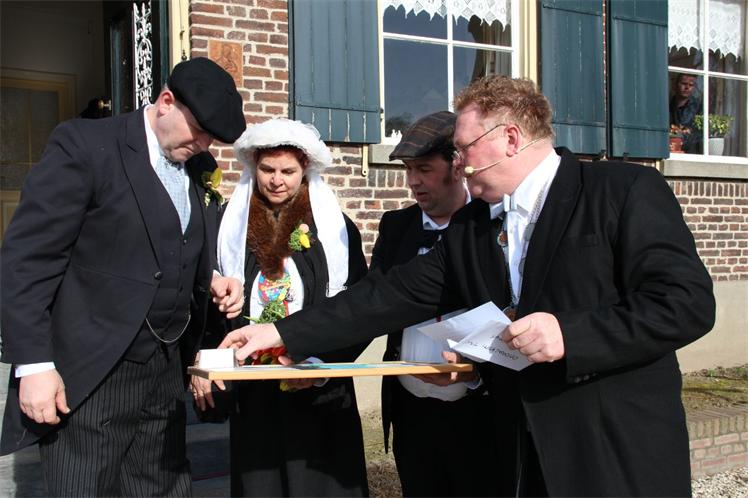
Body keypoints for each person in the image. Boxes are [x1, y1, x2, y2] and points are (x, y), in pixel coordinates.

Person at [219, 76, 716, 497]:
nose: (457, 163)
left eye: (463, 149)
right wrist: (282, 333)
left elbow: (686, 303)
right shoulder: (472, 226)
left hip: (612, 448)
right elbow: (388, 295)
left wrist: (570, 334)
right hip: (516, 454)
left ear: (510, 138)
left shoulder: (622, 191)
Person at [0, 57, 246, 496]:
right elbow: (28, 259)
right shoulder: (85, 145)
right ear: (166, 102)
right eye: (199, 130)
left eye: (212, 138)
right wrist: (34, 366)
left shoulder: (197, 166)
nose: (204, 144)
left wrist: (208, 277)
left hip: (164, 372)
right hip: (92, 374)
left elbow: (165, 242)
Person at [191, 118, 370, 497]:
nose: (276, 180)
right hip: (254, 388)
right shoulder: (228, 227)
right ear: (253, 167)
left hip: (318, 382)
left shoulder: (335, 230)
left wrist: (322, 365)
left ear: (305, 170)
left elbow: (358, 307)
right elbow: (204, 299)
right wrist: (204, 360)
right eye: (267, 170)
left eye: (287, 171)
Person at [371, 110, 504, 497]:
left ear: (458, 166)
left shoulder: (492, 226)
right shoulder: (396, 228)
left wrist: (477, 376)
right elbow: (371, 303)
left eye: (424, 169)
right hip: (411, 411)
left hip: (478, 412)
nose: (413, 181)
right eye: (408, 170)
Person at [670, 73, 703, 153]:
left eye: (691, 85)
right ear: (675, 85)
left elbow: (699, 133)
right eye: (684, 83)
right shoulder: (668, 105)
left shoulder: (699, 107)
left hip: (692, 153)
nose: (687, 87)